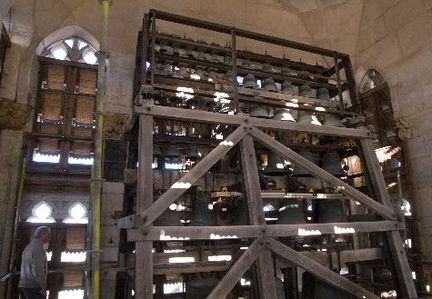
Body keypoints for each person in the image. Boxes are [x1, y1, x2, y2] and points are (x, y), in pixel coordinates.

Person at [18, 226, 51, 299]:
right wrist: (43, 286)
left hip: (23, 285)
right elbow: (38, 269)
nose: (50, 237)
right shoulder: (38, 248)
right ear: (42, 234)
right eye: (48, 234)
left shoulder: (29, 247)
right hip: (33, 287)